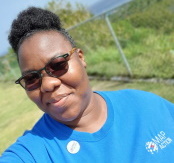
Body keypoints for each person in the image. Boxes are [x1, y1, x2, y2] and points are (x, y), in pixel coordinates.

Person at [0, 6, 174, 163]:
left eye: (58, 64)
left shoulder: (144, 105)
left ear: (81, 58)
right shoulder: (32, 153)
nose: (47, 84)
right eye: (31, 78)